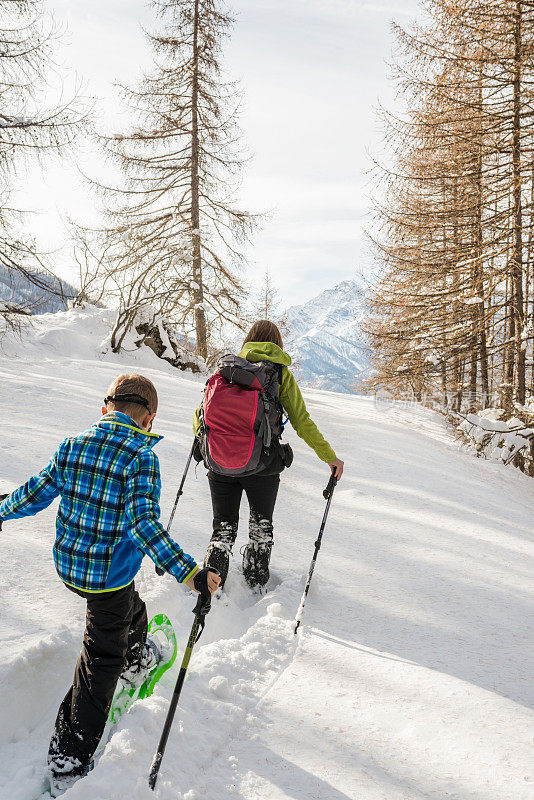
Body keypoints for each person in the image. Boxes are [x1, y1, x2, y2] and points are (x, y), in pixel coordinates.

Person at [0, 373, 220, 797]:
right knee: (100, 659)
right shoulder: (140, 456)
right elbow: (143, 525)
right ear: (149, 420)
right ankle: (69, 757)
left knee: (128, 611)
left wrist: (1, 512)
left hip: (69, 568)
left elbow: (35, 493)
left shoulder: (73, 444)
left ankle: (135, 650)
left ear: (106, 407)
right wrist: (188, 572)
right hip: (106, 579)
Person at [193, 320, 344, 590]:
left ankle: (210, 589)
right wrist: (330, 457)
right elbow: (302, 421)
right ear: (277, 344)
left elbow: (200, 417)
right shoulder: (280, 375)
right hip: (262, 465)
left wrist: (204, 443)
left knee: (223, 529)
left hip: (219, 463)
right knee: (261, 528)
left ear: (249, 340)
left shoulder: (227, 368)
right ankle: (256, 587)